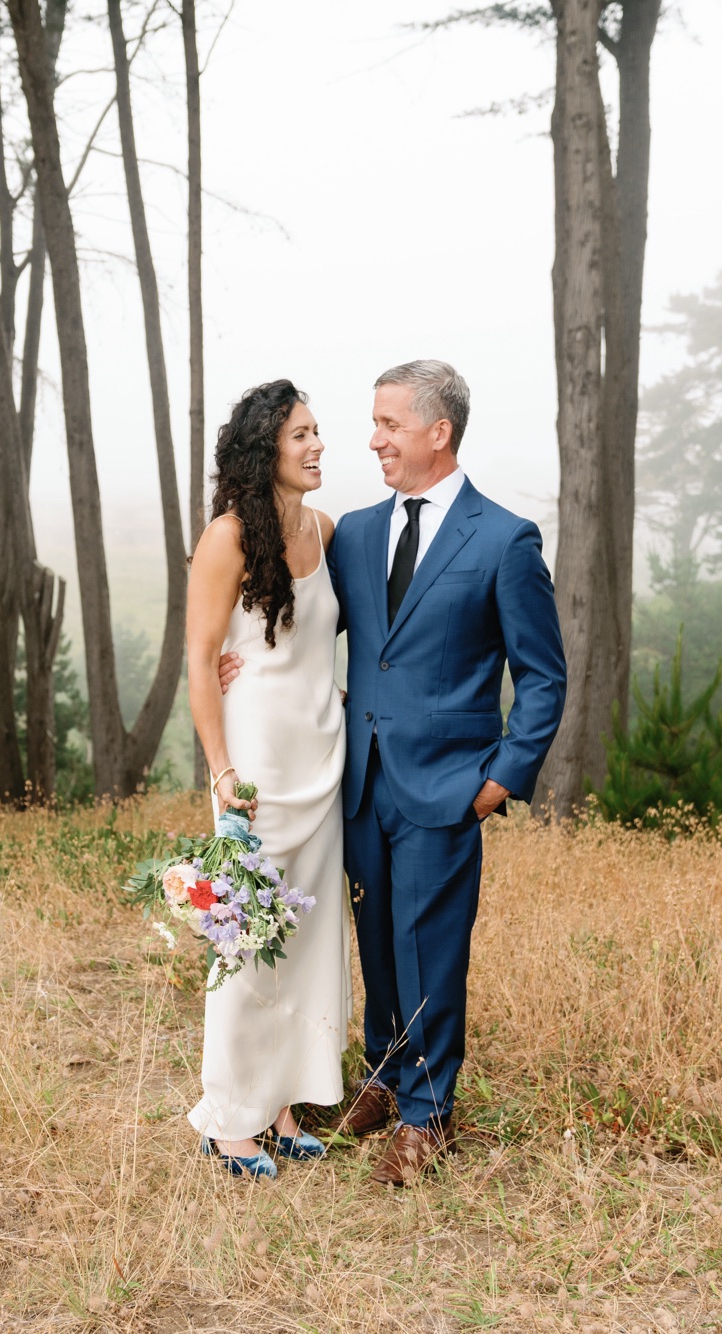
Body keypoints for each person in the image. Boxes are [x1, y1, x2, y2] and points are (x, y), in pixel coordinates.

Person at [221, 359, 566, 1187]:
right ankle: (382, 1077)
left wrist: (503, 778)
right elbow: (300, 618)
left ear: (436, 432)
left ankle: (429, 1114)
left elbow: (545, 676)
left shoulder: (504, 540)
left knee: (431, 950)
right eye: (371, 424)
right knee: (374, 940)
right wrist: (246, 660)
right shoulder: (359, 533)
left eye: (388, 425)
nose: (370, 440)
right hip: (358, 780)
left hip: (450, 788)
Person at [184, 379, 350, 1180]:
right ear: (265, 451)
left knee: (312, 940)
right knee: (246, 940)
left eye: (318, 432)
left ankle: (285, 1104)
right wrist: (222, 774)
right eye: (300, 436)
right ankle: (229, 1117)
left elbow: (325, 641)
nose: (317, 445)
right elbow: (199, 662)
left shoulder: (325, 529)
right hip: (254, 766)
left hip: (324, 756)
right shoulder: (225, 538)